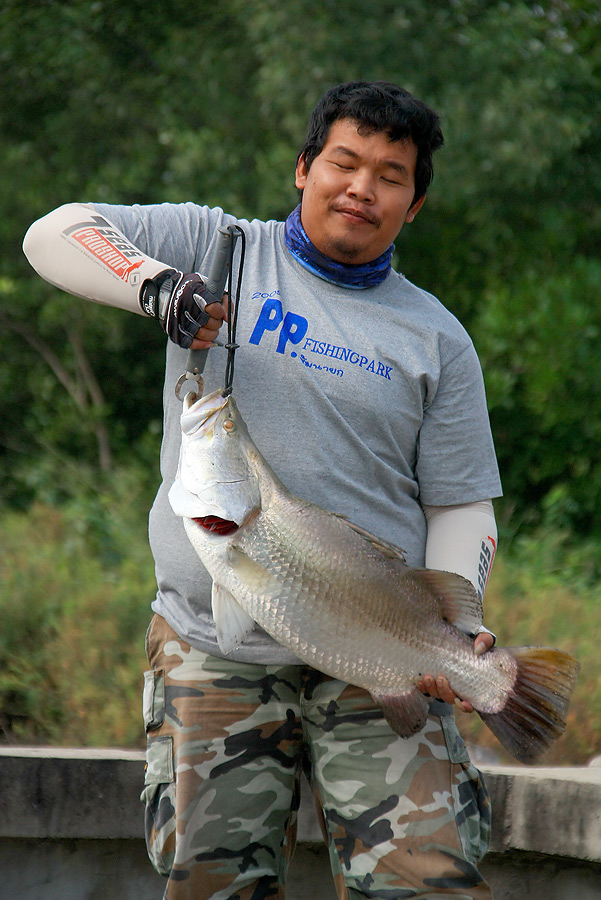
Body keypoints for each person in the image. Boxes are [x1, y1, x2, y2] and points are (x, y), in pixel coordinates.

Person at [23, 81, 502, 899]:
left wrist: (460, 631)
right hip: (212, 651)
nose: (361, 187)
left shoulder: (438, 339)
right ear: (302, 168)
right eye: (343, 162)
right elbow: (51, 233)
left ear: (413, 205)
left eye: (390, 175)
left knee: (425, 886)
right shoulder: (216, 247)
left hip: (381, 650)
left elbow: (459, 502)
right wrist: (156, 286)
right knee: (214, 887)